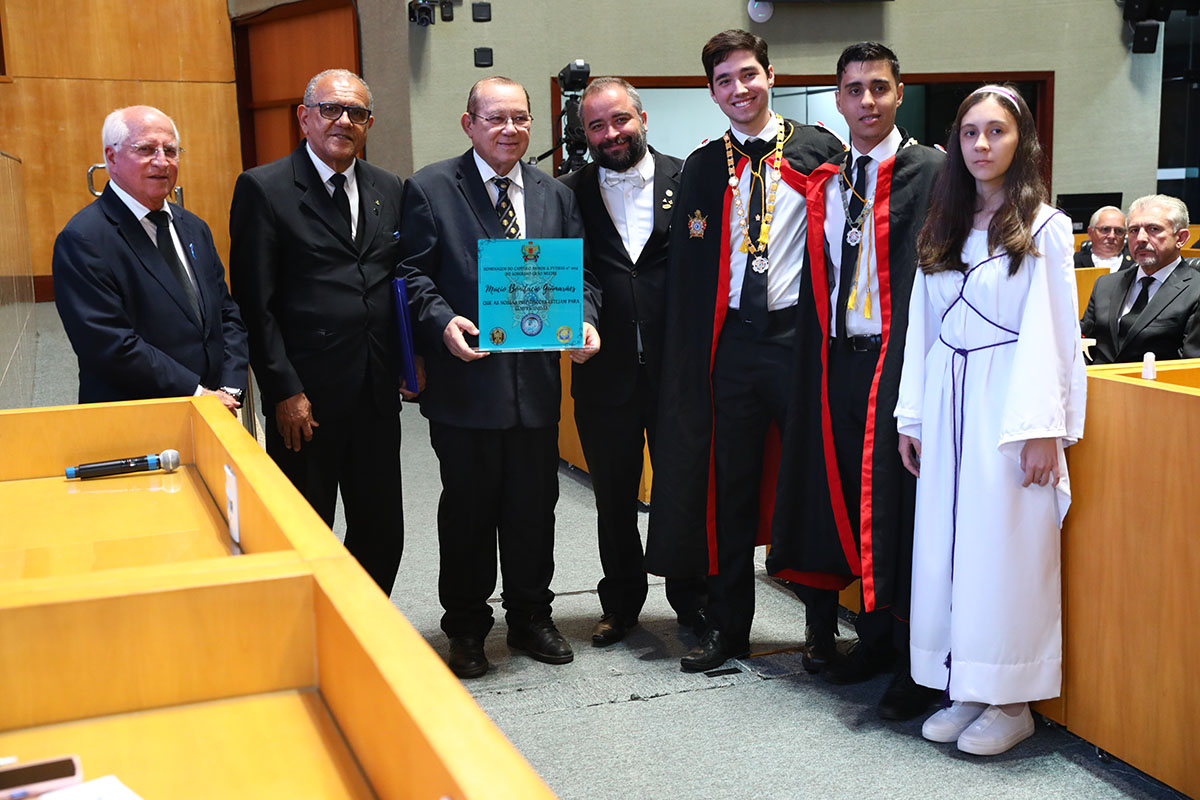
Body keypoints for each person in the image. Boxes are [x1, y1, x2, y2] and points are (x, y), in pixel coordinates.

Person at [895, 84, 1086, 756]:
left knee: (1005, 550)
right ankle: (968, 684)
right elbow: (923, 326)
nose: (981, 145)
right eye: (970, 132)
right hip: (948, 399)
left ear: (1021, 140)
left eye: (996, 132)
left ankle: (1012, 700)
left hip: (1010, 404)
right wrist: (912, 414)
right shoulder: (945, 224)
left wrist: (1042, 429)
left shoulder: (1046, 228)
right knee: (952, 548)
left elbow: (1052, 333)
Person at [646, 29, 844, 673]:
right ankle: (729, 630)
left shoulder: (822, 151)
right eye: (725, 80)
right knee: (728, 488)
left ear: (771, 75)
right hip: (731, 345)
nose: (739, 89)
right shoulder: (703, 167)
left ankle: (820, 628)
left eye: (748, 74)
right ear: (712, 91)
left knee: (807, 480)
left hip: (798, 341)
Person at [398, 76, 600, 679]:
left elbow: (581, 276)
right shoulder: (431, 188)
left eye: (520, 119)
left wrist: (585, 322)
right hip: (466, 389)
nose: (509, 130)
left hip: (535, 388)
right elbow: (410, 275)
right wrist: (441, 322)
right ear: (469, 124)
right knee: (468, 512)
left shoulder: (553, 194)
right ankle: (464, 627)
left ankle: (532, 616)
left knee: (534, 508)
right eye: (495, 119)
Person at [768, 42, 943, 720]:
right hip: (837, 361)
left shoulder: (933, 172)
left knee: (901, 511)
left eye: (878, 87)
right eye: (853, 90)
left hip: (900, 360)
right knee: (847, 499)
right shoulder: (830, 179)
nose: (866, 101)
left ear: (899, 93)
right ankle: (871, 639)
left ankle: (914, 661)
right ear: (837, 100)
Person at [229, 69, 406, 594]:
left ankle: (360, 627)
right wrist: (284, 389)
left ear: (368, 124)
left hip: (376, 391)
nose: (343, 121)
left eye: (356, 113)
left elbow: (397, 280)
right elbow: (254, 304)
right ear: (304, 117)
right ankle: (310, 643)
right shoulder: (264, 188)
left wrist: (410, 357)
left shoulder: (389, 187)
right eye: (331, 109)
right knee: (306, 530)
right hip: (306, 400)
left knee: (382, 532)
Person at [560, 78, 708, 647]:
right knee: (613, 496)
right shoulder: (567, 192)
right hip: (604, 370)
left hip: (680, 371)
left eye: (619, 120)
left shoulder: (691, 176)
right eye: (596, 126)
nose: (610, 134)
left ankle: (689, 598)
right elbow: (569, 272)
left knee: (681, 487)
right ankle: (620, 603)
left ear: (641, 117)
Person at [54, 106, 248, 409]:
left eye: (170, 150)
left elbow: (226, 314)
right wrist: (198, 394)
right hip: (140, 417)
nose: (162, 161)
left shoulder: (194, 227)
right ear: (111, 157)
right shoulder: (84, 239)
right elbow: (110, 345)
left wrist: (231, 387)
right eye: (146, 149)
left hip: (216, 407)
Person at [1079, 194, 1200, 364]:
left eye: (1154, 229)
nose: (1141, 238)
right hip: (1097, 385)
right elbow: (1080, 341)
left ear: (1181, 238)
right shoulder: (1106, 284)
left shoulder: (1195, 291)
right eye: (1134, 230)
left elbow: (1190, 367)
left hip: (1154, 388)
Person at [1074, 206, 1132, 272]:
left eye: (1119, 231)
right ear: (1090, 232)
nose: (1112, 236)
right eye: (1105, 229)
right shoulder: (1073, 262)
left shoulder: (1136, 264)